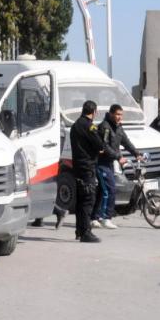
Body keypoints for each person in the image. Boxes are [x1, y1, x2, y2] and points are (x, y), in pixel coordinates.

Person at [94, 104, 137, 229]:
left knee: (102, 191)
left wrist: (137, 154)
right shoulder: (105, 127)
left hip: (109, 163)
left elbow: (126, 142)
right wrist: (118, 157)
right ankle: (105, 218)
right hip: (101, 163)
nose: (120, 117)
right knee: (110, 189)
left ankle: (94, 217)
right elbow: (104, 146)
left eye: (121, 115)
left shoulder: (118, 127)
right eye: (117, 114)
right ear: (111, 114)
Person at [69, 100, 103, 243]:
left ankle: (79, 230)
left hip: (77, 166)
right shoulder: (90, 126)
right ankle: (85, 233)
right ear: (94, 112)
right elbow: (100, 145)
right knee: (88, 200)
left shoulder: (75, 125)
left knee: (81, 200)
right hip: (87, 167)